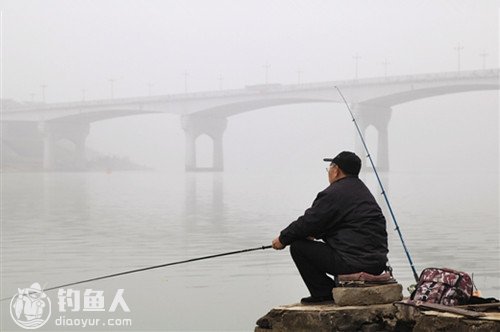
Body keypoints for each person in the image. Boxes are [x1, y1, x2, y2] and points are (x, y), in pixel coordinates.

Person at [271, 151, 388, 304]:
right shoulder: (362, 192)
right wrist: (313, 233)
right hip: (377, 263)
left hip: (353, 262)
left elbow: (308, 222)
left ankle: (323, 293)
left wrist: (282, 239)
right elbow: (338, 223)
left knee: (298, 246)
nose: (328, 173)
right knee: (305, 240)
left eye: (329, 169)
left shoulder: (334, 193)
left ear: (336, 170)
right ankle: (329, 289)